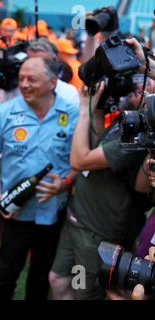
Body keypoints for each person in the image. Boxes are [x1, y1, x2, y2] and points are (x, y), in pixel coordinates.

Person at [49, 37, 155, 301]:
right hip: (77, 217)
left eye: (145, 85)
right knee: (58, 280)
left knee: (84, 292)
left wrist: (84, 112)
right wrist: (96, 109)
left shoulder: (137, 133)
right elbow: (95, 143)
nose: (137, 90)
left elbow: (80, 160)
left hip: (98, 230)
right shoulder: (126, 119)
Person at [0, 57, 78, 300]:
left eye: (32, 79)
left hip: (53, 213)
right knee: (6, 273)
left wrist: (66, 182)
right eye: (21, 79)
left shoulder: (72, 114)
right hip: (15, 213)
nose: (24, 84)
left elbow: (81, 159)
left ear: (52, 82)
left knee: (41, 276)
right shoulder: (5, 112)